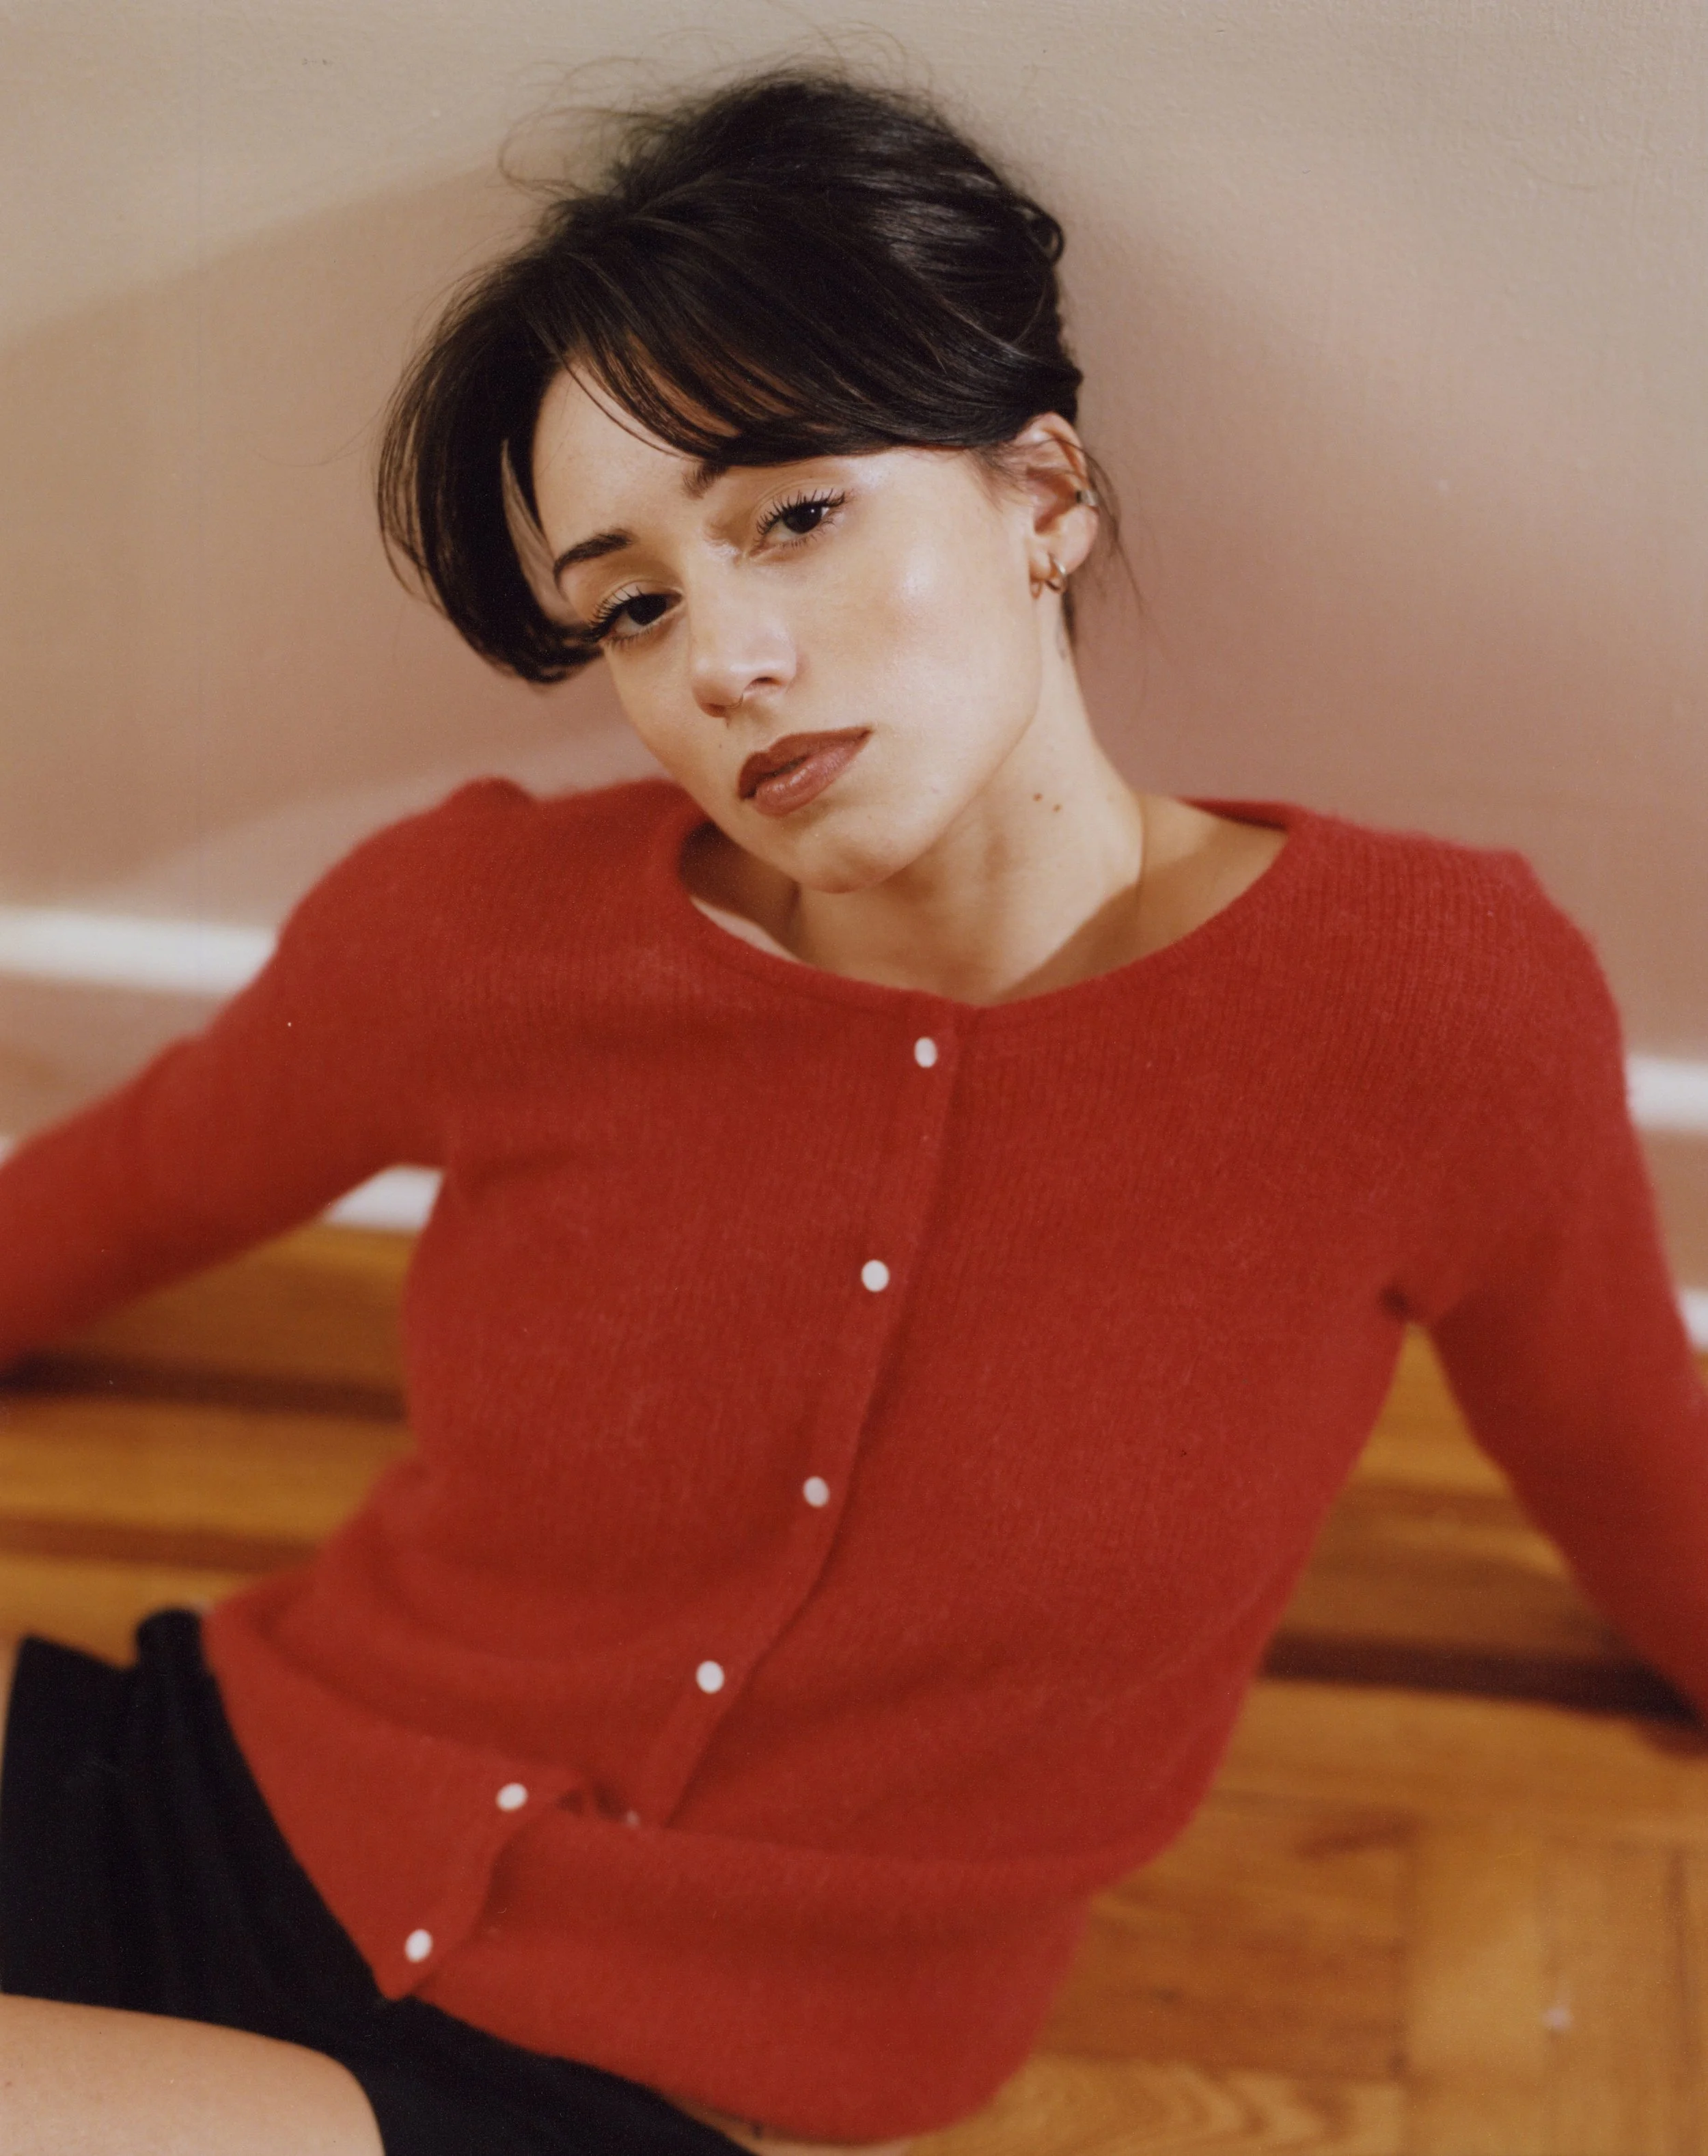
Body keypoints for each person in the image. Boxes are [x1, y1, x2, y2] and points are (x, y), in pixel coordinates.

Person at [3, 61, 1707, 2156]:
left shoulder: (1428, 1009)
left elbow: (1643, 1469)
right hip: (230, 1787)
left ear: (1042, 492)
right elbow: (120, 1191)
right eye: (627, 602)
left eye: (793, 515)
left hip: (613, 2096)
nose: (716, 658)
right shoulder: (481, 932)